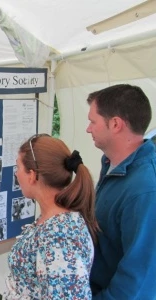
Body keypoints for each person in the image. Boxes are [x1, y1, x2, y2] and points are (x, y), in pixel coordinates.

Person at [3, 134, 99, 299]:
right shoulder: (53, 221)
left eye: (18, 167)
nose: (16, 174)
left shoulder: (60, 238)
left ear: (32, 175)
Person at [86, 84, 156, 299]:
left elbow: (141, 277)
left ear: (115, 124)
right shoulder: (112, 164)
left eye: (93, 121)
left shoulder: (145, 189)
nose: (88, 129)